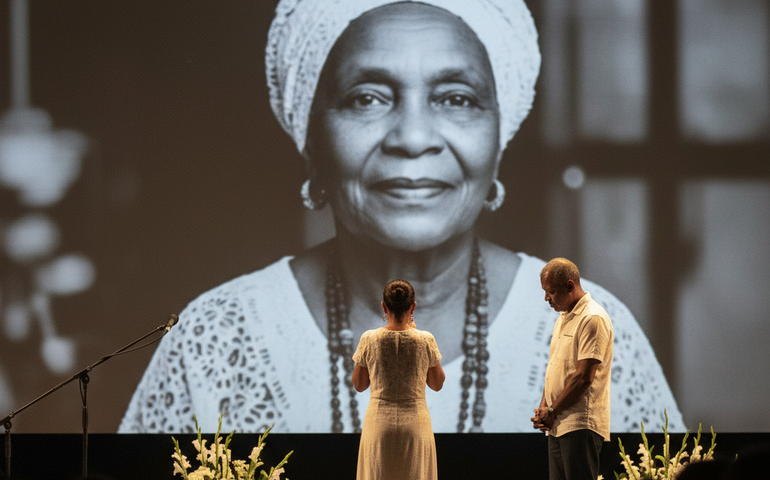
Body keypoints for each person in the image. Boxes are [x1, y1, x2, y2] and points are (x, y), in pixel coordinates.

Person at [119, 0, 683, 434]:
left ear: (498, 141)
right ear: (312, 140)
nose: (413, 139)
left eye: (457, 98)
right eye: (367, 97)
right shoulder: (214, 340)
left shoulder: (590, 333)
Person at [352, 280, 445, 480]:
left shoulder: (369, 339)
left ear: (384, 306)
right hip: (415, 425)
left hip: (379, 424)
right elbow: (437, 384)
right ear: (413, 307)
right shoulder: (425, 339)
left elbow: (359, 385)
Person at [531, 258, 613, 480]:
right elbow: (556, 369)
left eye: (551, 291)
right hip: (558, 423)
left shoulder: (592, 318)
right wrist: (544, 407)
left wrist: (552, 411)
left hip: (580, 423)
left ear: (569, 286)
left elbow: (583, 378)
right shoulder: (564, 317)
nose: (546, 298)